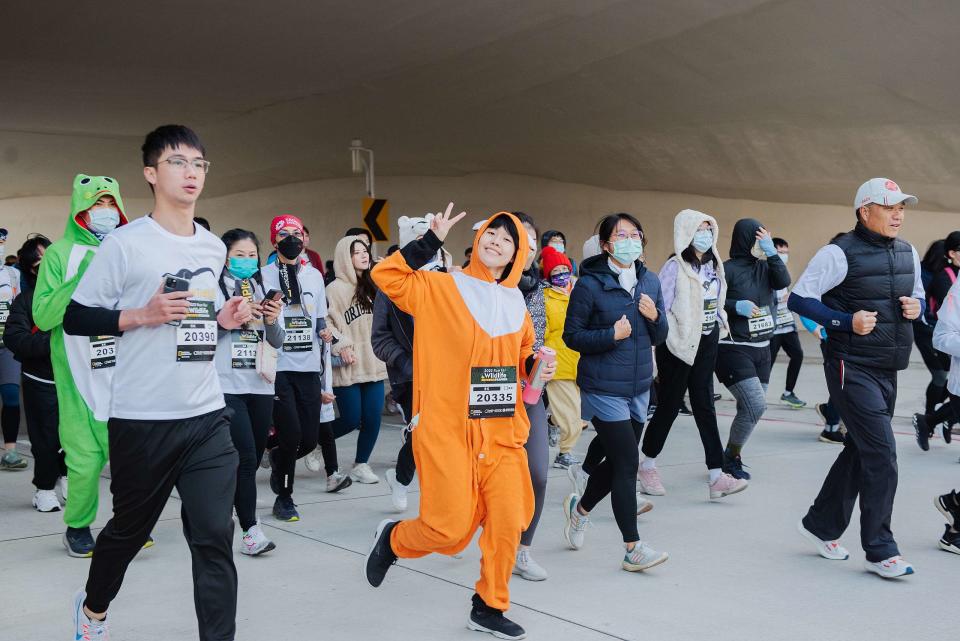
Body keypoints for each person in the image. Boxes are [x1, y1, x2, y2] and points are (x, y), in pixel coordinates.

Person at [66, 124, 251, 639]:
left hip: (206, 417)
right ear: (151, 173)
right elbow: (77, 319)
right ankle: (93, 609)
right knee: (128, 531)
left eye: (199, 163)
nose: (191, 172)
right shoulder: (126, 245)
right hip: (143, 420)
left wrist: (225, 319)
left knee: (215, 536)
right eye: (177, 162)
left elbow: (198, 319)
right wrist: (141, 315)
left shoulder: (214, 249)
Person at [366, 205, 554, 640]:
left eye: (508, 240)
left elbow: (523, 357)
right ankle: (393, 540)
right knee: (448, 529)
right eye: (492, 233)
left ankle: (489, 606)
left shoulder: (516, 308)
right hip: (448, 429)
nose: (496, 242)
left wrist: (535, 369)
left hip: (502, 432)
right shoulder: (440, 286)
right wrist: (429, 241)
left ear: (516, 254)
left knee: (510, 518)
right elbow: (386, 278)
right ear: (478, 240)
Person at [790, 177, 923, 579]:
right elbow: (799, 299)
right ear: (865, 211)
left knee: (862, 449)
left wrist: (915, 309)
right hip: (851, 365)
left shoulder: (908, 251)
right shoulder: (838, 252)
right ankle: (881, 549)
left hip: (888, 366)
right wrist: (845, 320)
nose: (898, 214)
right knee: (882, 454)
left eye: (902, 207)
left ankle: (821, 524)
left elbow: (915, 297)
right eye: (889, 206)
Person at [560, 212, 669, 572]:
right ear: (606, 244)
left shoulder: (649, 281)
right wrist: (610, 335)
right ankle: (633, 548)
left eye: (635, 234)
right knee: (627, 464)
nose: (629, 240)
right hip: (604, 387)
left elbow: (661, 335)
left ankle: (580, 510)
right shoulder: (590, 285)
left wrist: (654, 318)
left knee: (618, 463)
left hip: (639, 387)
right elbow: (572, 337)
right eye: (620, 235)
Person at [33, 174, 129, 556]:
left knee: (129, 456)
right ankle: (77, 526)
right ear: (80, 210)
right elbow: (42, 314)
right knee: (85, 460)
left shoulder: (128, 248)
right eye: (96, 205)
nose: (104, 212)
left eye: (110, 205)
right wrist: (84, 274)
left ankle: (129, 523)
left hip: (124, 370)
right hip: (77, 372)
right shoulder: (59, 254)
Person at [639, 210, 748, 499]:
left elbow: (716, 300)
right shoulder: (675, 267)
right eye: (699, 229)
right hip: (677, 346)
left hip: (707, 341)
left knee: (704, 405)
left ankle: (716, 475)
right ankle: (647, 465)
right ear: (686, 233)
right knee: (669, 405)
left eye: (709, 229)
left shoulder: (714, 265)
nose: (706, 235)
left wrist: (720, 320)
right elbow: (661, 309)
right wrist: (669, 339)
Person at [262, 214, 350, 523]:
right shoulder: (263, 276)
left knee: (309, 439)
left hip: (309, 367)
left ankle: (275, 456)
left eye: (296, 233)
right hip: (279, 368)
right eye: (283, 234)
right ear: (274, 240)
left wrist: (326, 332)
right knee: (290, 434)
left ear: (304, 238)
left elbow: (320, 318)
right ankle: (284, 497)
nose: (291, 238)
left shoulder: (313, 276)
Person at [215, 228, 284, 554]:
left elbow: (277, 340)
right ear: (225, 256)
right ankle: (250, 529)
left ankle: (225, 505)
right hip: (227, 384)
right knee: (244, 456)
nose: (246, 261)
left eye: (251, 255)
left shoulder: (261, 287)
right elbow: (202, 332)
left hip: (260, 383)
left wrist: (270, 319)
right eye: (238, 255)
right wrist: (231, 317)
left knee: (253, 457)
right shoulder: (214, 287)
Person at [373, 214, 448, 512]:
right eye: (417, 243)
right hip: (410, 377)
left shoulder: (448, 280)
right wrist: (408, 363)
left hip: (447, 373)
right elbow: (380, 339)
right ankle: (407, 484)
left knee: (440, 439)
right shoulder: (389, 287)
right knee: (424, 435)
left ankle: (409, 483)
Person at [714, 218, 790, 479]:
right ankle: (730, 456)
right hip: (733, 348)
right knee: (756, 405)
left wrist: (772, 254)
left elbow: (783, 281)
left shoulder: (765, 267)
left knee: (750, 409)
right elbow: (712, 302)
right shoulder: (726, 269)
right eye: (758, 239)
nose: (761, 244)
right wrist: (736, 306)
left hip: (763, 348)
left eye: (764, 239)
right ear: (745, 240)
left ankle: (730, 455)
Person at [4, 234, 65, 511]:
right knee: (46, 438)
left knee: (74, 436)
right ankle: (44, 488)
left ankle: (68, 479)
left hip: (75, 379)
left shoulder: (76, 295)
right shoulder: (26, 302)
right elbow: (15, 338)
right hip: (41, 379)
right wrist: (54, 344)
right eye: (43, 260)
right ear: (32, 269)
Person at [327, 234, 388, 483]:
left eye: (366, 251)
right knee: (351, 419)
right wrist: (341, 344)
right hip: (349, 363)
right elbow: (326, 323)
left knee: (373, 418)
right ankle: (320, 442)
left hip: (373, 362)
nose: (364, 255)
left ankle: (361, 464)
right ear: (345, 257)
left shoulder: (375, 285)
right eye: (357, 252)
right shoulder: (334, 289)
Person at [512, 211, 552, 582]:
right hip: (486, 395)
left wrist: (542, 364)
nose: (528, 247)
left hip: (530, 393)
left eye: (533, 241)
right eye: (520, 239)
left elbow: (539, 340)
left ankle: (523, 550)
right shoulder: (480, 285)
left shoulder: (538, 287)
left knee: (538, 472)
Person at [913, 232, 960, 449]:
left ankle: (934, 420)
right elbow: (945, 328)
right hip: (927, 332)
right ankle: (930, 417)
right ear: (952, 253)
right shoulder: (946, 279)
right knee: (940, 376)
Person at [541, 246, 587, 468]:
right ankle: (565, 453)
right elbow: (543, 332)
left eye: (564, 269)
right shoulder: (545, 298)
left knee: (577, 411)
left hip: (581, 362)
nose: (561, 274)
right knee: (572, 419)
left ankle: (551, 421)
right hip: (558, 364)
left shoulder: (579, 293)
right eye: (555, 271)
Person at [769, 237, 807, 409]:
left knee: (797, 355)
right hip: (772, 327)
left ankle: (788, 393)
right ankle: (756, 396)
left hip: (788, 324)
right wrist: (779, 300)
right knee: (767, 362)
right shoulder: (765, 270)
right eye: (780, 252)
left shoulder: (785, 270)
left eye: (786, 253)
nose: (784, 256)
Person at [0, 227, 24, 470]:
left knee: (10, 395)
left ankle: (10, 451)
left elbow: (19, 304)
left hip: (7, 344)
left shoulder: (12, 274)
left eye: (2, 241)